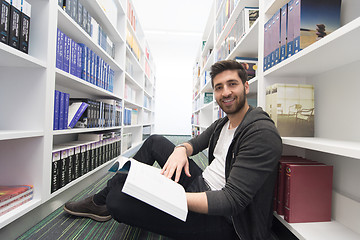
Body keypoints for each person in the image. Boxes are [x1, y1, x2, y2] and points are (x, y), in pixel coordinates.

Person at [64, 60, 282, 240]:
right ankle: (99, 202)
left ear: (246, 86)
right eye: (219, 87)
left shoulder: (260, 133)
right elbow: (194, 144)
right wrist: (181, 150)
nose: (225, 92)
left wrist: (170, 195)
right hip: (201, 185)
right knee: (154, 142)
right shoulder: (224, 123)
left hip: (227, 221)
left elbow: (232, 201)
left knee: (118, 200)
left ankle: (104, 202)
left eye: (232, 84)